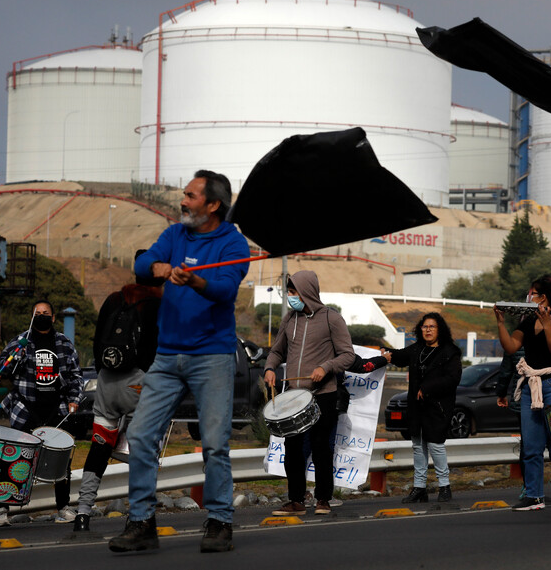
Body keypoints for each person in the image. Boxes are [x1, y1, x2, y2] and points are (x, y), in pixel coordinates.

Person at [109, 170, 249, 554]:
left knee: (215, 444)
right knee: (140, 437)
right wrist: (157, 268)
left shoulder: (233, 243)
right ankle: (142, 523)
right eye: (184, 194)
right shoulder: (174, 235)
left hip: (213, 357)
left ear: (213, 204)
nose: (182, 201)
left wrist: (196, 282)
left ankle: (219, 521)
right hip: (167, 357)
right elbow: (143, 264)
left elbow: (225, 290)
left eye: (190, 195)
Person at [72, 250, 164, 533]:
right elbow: (161, 347)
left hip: (106, 384)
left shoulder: (114, 299)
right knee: (142, 451)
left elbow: (98, 339)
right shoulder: (159, 303)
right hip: (139, 383)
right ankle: (138, 515)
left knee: (99, 446)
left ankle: (82, 513)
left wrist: (104, 371)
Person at [263, 271, 355, 516]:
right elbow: (277, 351)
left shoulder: (331, 318)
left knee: (321, 447)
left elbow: (348, 355)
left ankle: (323, 498)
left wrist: (326, 367)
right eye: (289, 292)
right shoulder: (289, 319)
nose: (290, 296)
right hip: (293, 396)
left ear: (307, 292)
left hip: (323, 394)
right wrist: (270, 368)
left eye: (294, 292)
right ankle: (296, 500)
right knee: (292, 449)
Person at [495, 275, 551, 512]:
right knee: (531, 445)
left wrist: (547, 324)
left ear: (543, 297)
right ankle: (534, 495)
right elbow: (511, 346)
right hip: (531, 386)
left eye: (532, 293)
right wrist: (501, 323)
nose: (529, 297)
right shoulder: (528, 323)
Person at [0, 299, 83, 526]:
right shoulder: (20, 341)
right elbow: (1, 368)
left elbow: (75, 375)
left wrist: (74, 399)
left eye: (45, 313)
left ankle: (63, 507)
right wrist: (17, 356)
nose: (41, 316)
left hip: (56, 409)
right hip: (26, 408)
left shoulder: (64, 343)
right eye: (37, 313)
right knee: (14, 457)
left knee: (61, 461)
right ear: (32, 317)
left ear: (53, 317)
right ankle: (2, 509)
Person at [381, 312, 462, 504]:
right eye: (425, 326)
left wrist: (427, 388)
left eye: (432, 326)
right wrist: (385, 353)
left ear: (440, 329)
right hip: (416, 408)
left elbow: (452, 379)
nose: (428, 330)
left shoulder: (450, 351)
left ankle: (444, 486)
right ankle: (419, 489)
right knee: (418, 447)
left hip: (438, 407)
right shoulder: (418, 348)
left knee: (435, 446)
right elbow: (400, 356)